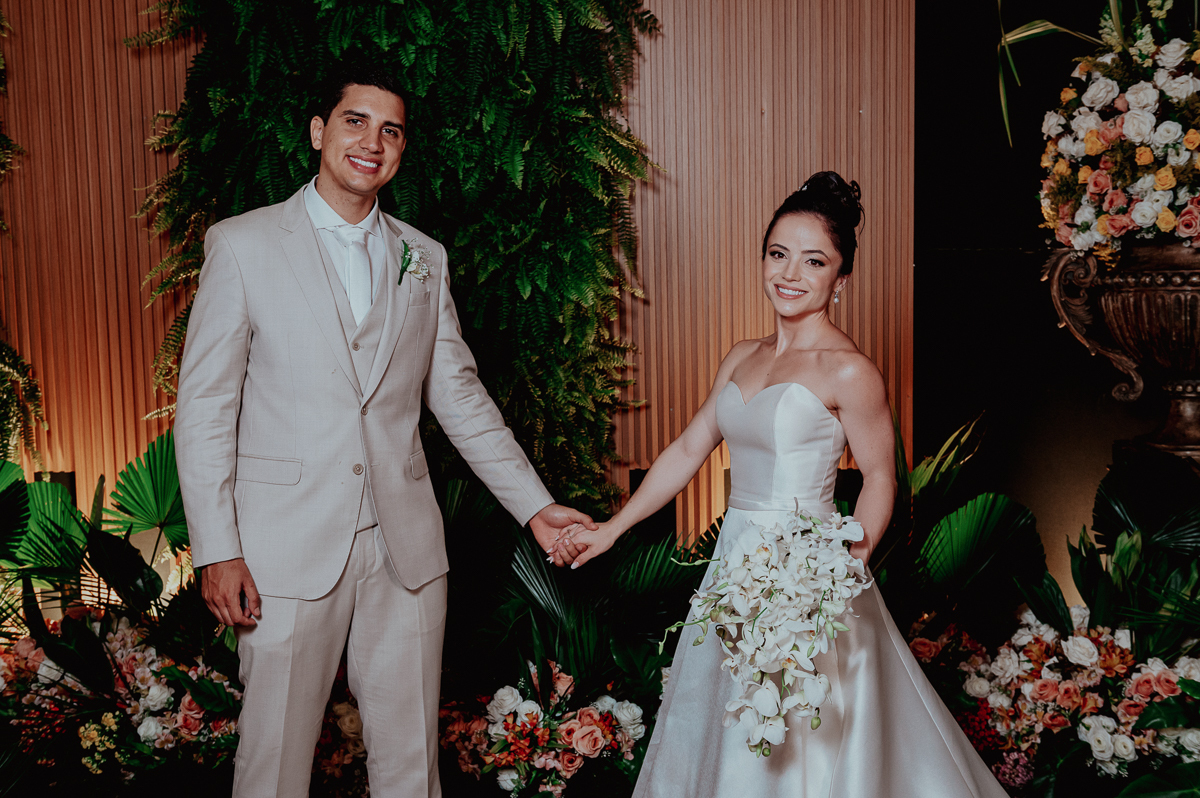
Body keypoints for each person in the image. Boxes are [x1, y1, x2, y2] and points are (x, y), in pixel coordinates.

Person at [173, 66, 594, 798]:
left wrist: (534, 504)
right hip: (282, 554)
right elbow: (205, 406)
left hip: (405, 554)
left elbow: (459, 397)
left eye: (390, 129)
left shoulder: (423, 258)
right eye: (355, 121)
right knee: (271, 766)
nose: (372, 141)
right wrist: (219, 548)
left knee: (409, 769)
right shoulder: (242, 246)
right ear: (319, 132)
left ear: (401, 149)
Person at [563, 173, 1009, 797]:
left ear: (840, 280)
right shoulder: (740, 357)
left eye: (813, 260)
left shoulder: (849, 370)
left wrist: (843, 570)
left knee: (805, 738)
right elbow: (690, 448)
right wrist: (612, 528)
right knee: (730, 727)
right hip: (735, 571)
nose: (790, 273)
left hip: (810, 577)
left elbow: (883, 476)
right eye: (778, 254)